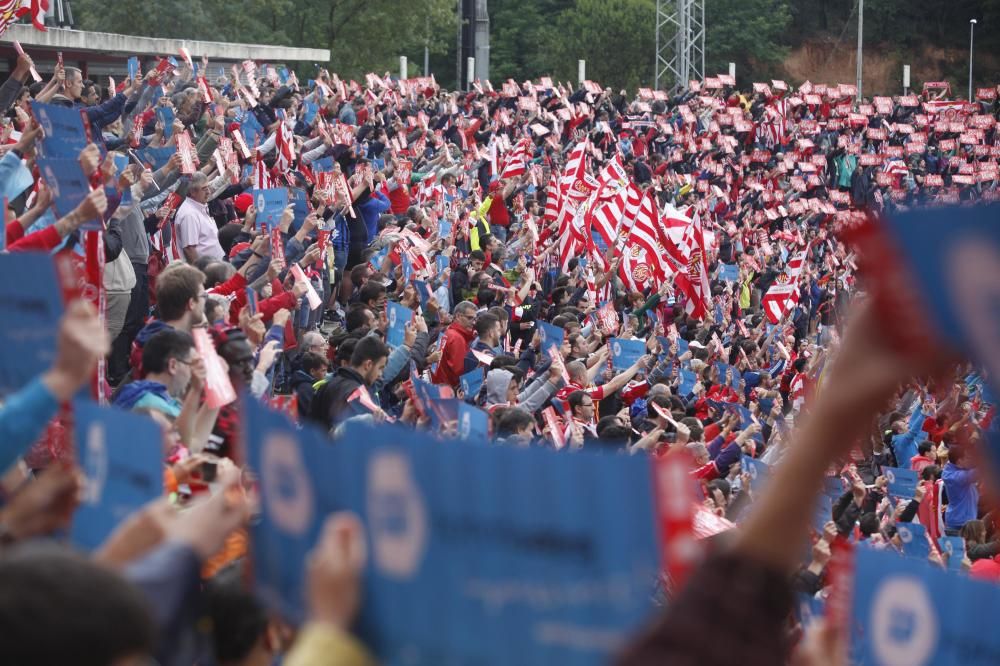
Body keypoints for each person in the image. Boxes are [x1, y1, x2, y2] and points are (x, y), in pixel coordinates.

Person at [310, 336, 390, 429]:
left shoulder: (328, 385)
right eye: (380, 368)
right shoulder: (359, 397)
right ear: (368, 364)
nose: (380, 374)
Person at [176, 172, 225, 262]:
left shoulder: (199, 207)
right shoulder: (189, 214)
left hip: (213, 268)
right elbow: (189, 249)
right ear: (192, 192)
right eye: (204, 189)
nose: (209, 192)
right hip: (206, 272)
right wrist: (201, 273)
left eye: (208, 187)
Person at [432, 301, 477, 387]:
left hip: (439, 387)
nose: (473, 322)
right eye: (470, 318)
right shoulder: (456, 338)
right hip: (447, 391)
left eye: (475, 319)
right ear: (458, 316)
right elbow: (459, 373)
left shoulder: (449, 331)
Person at [942, 446, 979, 536]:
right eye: (968, 458)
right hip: (959, 525)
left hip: (964, 521)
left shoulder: (956, 468)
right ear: (959, 461)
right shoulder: (953, 476)